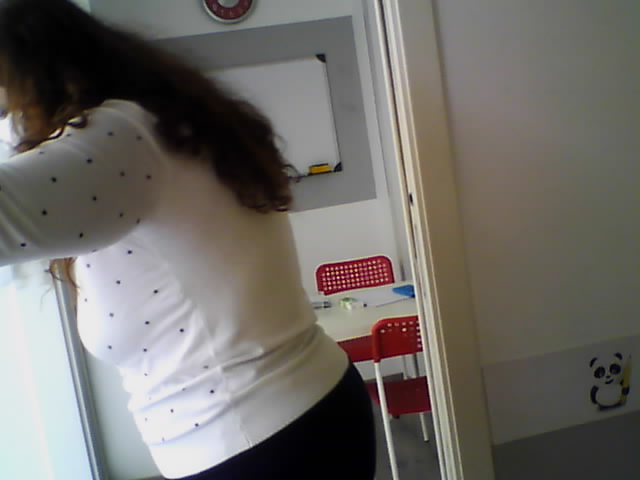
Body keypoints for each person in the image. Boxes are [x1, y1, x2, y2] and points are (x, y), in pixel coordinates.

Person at [0, 0, 376, 478]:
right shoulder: (169, 128)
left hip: (261, 441)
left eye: (6, 106)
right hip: (296, 417)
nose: (10, 127)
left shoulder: (124, 136)